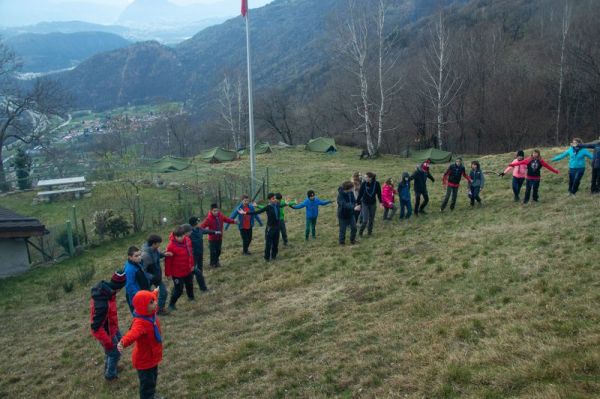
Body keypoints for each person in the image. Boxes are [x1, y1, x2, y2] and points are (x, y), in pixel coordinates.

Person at [117, 290, 163, 399]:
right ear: (143, 306)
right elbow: (132, 334)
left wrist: (155, 292)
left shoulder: (149, 313)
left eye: (154, 301)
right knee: (146, 384)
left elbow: (151, 296)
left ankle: (151, 395)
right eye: (151, 302)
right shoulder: (140, 323)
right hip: (144, 360)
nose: (155, 303)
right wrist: (123, 342)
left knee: (152, 380)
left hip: (152, 357)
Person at [89, 270, 126, 381]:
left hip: (112, 327)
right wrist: (108, 342)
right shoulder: (103, 304)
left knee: (117, 347)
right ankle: (110, 375)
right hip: (106, 333)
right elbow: (96, 328)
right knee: (115, 352)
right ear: (119, 287)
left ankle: (110, 366)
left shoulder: (108, 293)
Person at [239, 193, 281, 262]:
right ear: (269, 200)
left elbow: (282, 205)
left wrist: (289, 203)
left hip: (277, 228)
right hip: (270, 228)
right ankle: (267, 257)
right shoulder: (268, 207)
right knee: (268, 244)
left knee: (276, 243)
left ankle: (274, 256)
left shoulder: (278, 204)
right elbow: (257, 212)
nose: (275, 200)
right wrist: (245, 213)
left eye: (275, 198)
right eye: (273, 199)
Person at [164, 226, 194, 311]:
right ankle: (171, 304)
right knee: (179, 289)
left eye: (182, 236)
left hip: (187, 269)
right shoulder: (171, 246)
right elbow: (168, 262)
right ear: (175, 236)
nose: (180, 238)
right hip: (177, 273)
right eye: (178, 237)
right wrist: (168, 274)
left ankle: (191, 297)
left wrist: (191, 265)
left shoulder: (188, 240)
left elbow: (190, 254)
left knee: (190, 284)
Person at [141, 235, 172, 315]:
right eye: (159, 243)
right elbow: (142, 271)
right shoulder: (145, 255)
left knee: (164, 292)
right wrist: (151, 277)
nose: (159, 245)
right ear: (154, 244)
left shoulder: (155, 250)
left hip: (157, 277)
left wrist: (165, 254)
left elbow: (158, 255)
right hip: (149, 280)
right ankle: (146, 312)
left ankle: (160, 310)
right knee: (148, 297)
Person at [188, 216, 218, 294]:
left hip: (200, 252)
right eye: (198, 222)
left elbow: (206, 231)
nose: (200, 223)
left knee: (199, 269)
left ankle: (201, 283)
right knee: (191, 270)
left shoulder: (199, 229)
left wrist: (215, 232)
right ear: (195, 223)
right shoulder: (189, 232)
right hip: (193, 254)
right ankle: (188, 284)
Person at [124, 246, 150, 313]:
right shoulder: (129, 269)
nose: (139, 257)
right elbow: (130, 286)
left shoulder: (137, 263)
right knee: (140, 318)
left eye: (140, 254)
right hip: (138, 297)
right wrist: (139, 297)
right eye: (136, 256)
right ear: (130, 257)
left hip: (144, 293)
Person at [357, 172, 382, 236]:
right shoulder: (363, 184)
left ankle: (369, 232)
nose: (365, 178)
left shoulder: (376, 184)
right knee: (365, 220)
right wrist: (358, 204)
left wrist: (381, 203)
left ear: (370, 178)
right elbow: (360, 194)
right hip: (365, 203)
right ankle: (360, 232)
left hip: (373, 204)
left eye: (366, 177)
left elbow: (379, 194)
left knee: (371, 219)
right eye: (365, 177)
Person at [337, 181, 359, 245]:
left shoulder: (350, 192)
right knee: (343, 230)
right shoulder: (340, 195)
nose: (353, 189)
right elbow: (344, 205)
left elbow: (353, 200)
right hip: (342, 215)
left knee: (354, 228)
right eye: (352, 188)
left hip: (351, 214)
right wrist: (353, 207)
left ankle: (352, 240)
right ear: (348, 188)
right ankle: (342, 243)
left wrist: (356, 204)